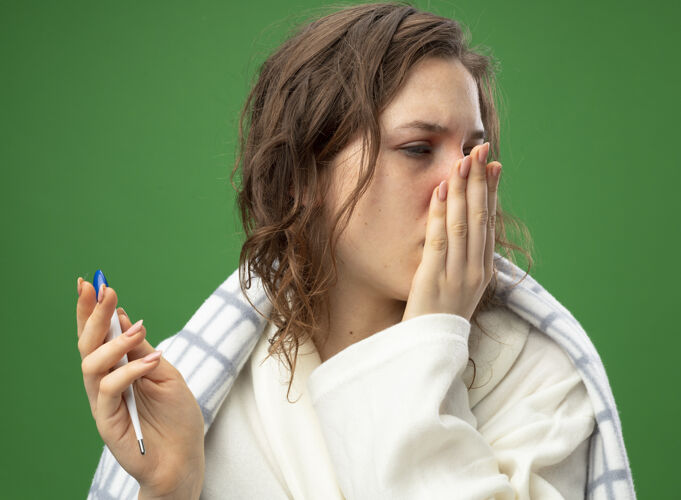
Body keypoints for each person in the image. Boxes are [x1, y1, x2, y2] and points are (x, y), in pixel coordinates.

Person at [77, 2, 636, 499]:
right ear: (303, 176)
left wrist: (428, 339)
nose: (462, 182)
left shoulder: (542, 379)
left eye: (473, 149)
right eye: (418, 148)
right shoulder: (199, 394)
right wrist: (172, 487)